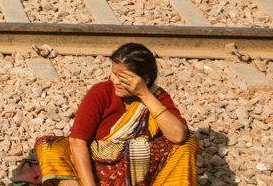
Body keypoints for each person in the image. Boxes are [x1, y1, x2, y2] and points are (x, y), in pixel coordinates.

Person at [34, 42, 197, 186]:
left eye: (123, 77)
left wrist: (145, 95)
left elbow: (178, 136)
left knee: (186, 144)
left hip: (138, 168)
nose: (115, 81)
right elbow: (77, 141)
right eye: (113, 73)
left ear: (144, 79)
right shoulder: (101, 91)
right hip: (96, 166)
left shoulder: (157, 97)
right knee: (48, 145)